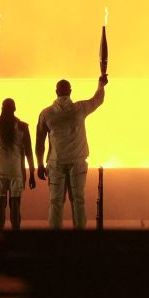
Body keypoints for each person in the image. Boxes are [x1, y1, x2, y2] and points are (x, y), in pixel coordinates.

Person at [33, 72, 106, 229]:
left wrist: (39, 164)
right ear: (70, 91)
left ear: (56, 92)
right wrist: (100, 85)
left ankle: (55, 237)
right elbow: (98, 100)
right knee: (78, 200)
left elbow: (39, 142)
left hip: (55, 163)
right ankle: (80, 235)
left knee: (55, 202)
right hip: (77, 162)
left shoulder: (46, 113)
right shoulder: (80, 108)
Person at [0, 81, 34, 231]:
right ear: (15, 109)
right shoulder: (23, 127)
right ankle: (15, 233)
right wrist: (31, 173)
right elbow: (29, 151)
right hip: (16, 172)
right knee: (15, 205)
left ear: (2, 109)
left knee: (0, 204)